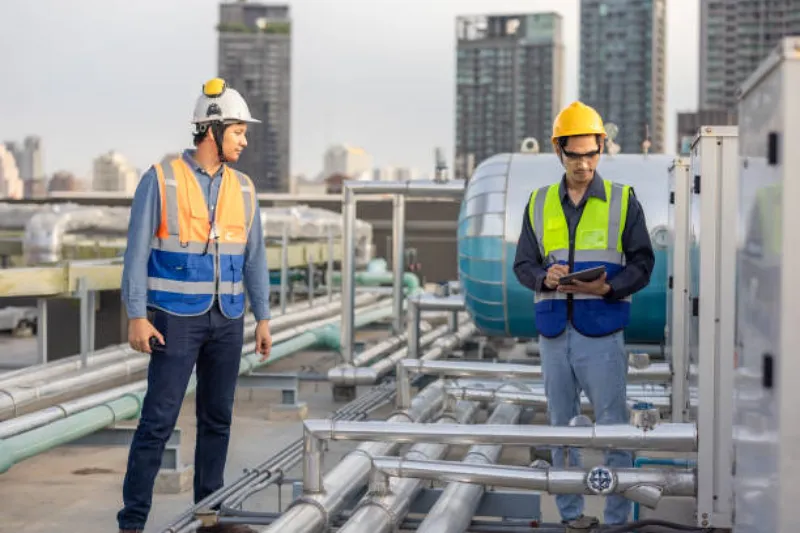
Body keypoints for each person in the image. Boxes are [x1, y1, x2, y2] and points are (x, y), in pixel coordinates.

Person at [117, 78, 273, 533]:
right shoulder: (161, 179)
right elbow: (135, 253)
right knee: (157, 422)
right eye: (239, 131)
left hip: (227, 319)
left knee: (218, 419)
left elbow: (255, 256)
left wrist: (262, 317)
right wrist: (136, 315)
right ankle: (132, 524)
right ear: (212, 129)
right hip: (173, 321)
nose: (244, 141)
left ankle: (210, 518)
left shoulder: (243, 189)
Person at [513, 101, 655, 528]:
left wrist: (609, 287)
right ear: (560, 152)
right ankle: (572, 517)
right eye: (575, 155)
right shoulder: (538, 204)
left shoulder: (622, 200)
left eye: (591, 153)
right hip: (555, 334)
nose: (584, 164)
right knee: (561, 429)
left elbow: (643, 263)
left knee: (613, 429)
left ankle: (615, 520)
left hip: (602, 333)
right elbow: (523, 265)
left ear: (601, 149)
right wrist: (546, 278)